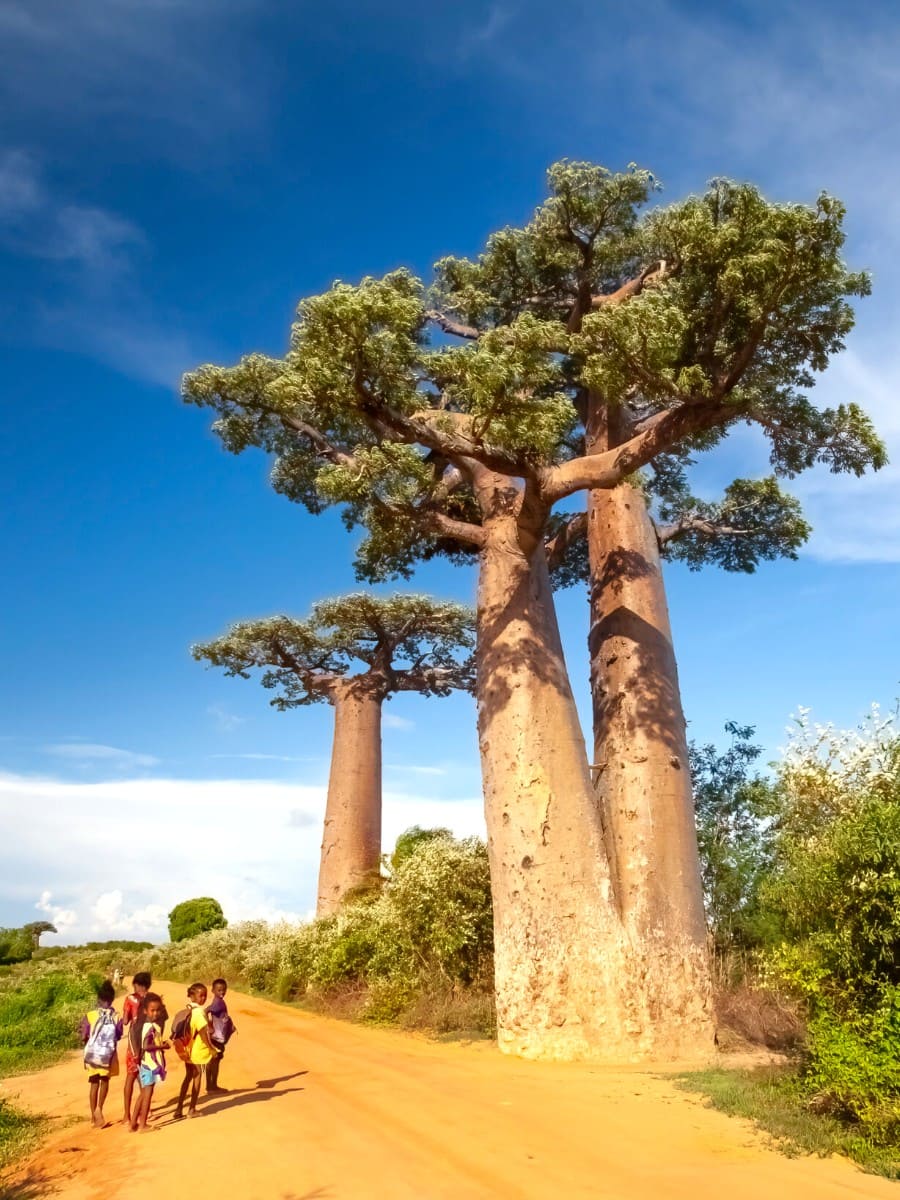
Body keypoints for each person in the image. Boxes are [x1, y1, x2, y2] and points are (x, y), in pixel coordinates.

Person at [80, 980, 123, 1129]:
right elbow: (118, 1035)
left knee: (93, 1084)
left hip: (92, 1055)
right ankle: (100, 1108)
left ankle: (93, 1116)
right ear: (112, 1000)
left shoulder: (90, 1015)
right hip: (108, 1056)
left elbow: (84, 1035)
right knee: (105, 1081)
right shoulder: (116, 1017)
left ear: (98, 999)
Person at [174, 982, 219, 1120]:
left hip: (187, 1049)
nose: (203, 998)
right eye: (201, 995)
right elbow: (203, 1033)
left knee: (187, 1078)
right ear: (193, 996)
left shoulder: (189, 1009)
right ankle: (192, 1109)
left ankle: (178, 1109)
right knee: (197, 1077)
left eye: (205, 995)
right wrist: (211, 1049)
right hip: (197, 1050)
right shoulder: (199, 1012)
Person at [130, 992, 168, 1133]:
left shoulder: (150, 1025)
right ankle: (142, 1125)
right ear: (145, 1010)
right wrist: (162, 1047)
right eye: (153, 1010)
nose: (156, 1013)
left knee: (143, 1093)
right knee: (147, 1093)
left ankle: (133, 1123)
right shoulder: (149, 1027)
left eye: (158, 1010)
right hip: (149, 1064)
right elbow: (146, 1046)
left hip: (146, 1064)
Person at [121, 971, 152, 1125]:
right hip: (148, 1041)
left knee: (131, 1076)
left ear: (136, 984)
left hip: (134, 1042)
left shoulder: (130, 999)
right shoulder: (153, 999)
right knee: (145, 1076)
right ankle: (145, 1109)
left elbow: (126, 1021)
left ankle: (127, 1115)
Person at [205, 978, 236, 1094]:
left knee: (211, 1061)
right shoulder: (218, 1003)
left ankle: (210, 1086)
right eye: (219, 990)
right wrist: (209, 1025)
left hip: (214, 1036)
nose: (222, 992)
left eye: (223, 990)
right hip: (217, 1037)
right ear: (213, 990)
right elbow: (206, 1011)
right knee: (215, 1062)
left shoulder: (216, 1001)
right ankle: (213, 1086)